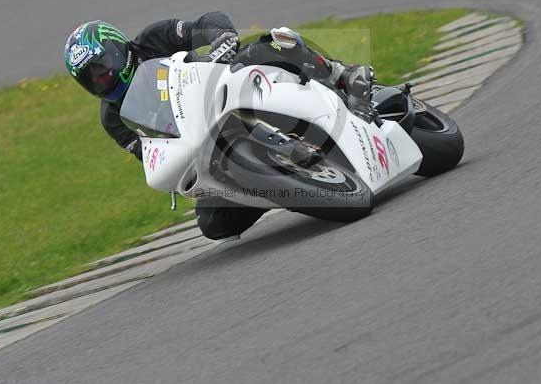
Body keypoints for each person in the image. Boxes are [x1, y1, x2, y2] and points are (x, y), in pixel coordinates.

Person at [63, 12, 374, 240]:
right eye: (90, 78)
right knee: (214, 224)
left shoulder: (153, 38)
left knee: (274, 41)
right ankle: (280, 188)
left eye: (102, 68)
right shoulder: (113, 118)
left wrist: (220, 37)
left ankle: (341, 75)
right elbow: (149, 153)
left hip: (224, 86)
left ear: (117, 49)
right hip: (203, 142)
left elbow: (204, 23)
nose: (101, 79)